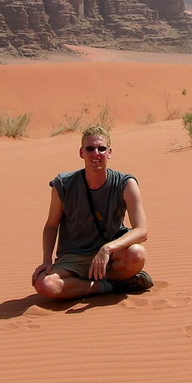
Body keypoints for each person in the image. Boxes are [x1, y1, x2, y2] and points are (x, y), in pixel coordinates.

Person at [32, 125, 153, 299]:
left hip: (110, 255)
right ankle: (109, 286)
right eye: (90, 148)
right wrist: (46, 261)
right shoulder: (63, 185)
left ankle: (87, 285)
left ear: (109, 152)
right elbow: (51, 225)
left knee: (137, 254)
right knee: (45, 285)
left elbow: (142, 230)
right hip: (74, 257)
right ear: (81, 153)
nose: (96, 153)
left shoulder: (126, 184)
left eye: (101, 148)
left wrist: (107, 248)